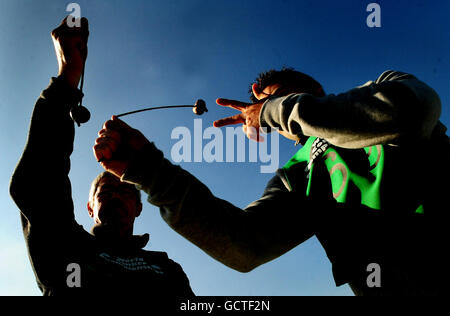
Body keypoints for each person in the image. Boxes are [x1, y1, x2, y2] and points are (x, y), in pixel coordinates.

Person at [95, 61, 449, 296]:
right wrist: (147, 169)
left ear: (307, 95)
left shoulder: (385, 85)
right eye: (265, 108)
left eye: (276, 101)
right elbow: (243, 245)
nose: (266, 115)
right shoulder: (297, 173)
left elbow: (412, 111)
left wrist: (272, 109)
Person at [9, 16, 194, 297]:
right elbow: (35, 185)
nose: (116, 196)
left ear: (139, 207)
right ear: (90, 208)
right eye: (106, 192)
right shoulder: (67, 245)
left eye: (126, 192)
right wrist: (68, 77)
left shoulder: (165, 268)